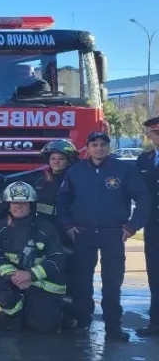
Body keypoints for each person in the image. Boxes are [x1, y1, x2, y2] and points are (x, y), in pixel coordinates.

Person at [57, 131, 152, 340]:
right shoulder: (76, 171)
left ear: (108, 147)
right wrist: (68, 225)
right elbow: (62, 201)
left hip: (114, 235)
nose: (99, 148)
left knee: (112, 284)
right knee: (82, 283)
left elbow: (143, 198)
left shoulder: (124, 169)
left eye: (103, 144)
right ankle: (83, 323)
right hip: (83, 234)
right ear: (87, 148)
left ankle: (113, 328)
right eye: (94, 145)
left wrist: (132, 226)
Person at [0, 181, 67, 333]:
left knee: (45, 328)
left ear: (31, 204)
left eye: (23, 203)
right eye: (14, 203)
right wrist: (13, 275)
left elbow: (58, 257)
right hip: (12, 280)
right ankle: (15, 317)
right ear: (8, 205)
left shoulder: (46, 227)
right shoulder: (0, 227)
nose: (18, 207)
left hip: (40, 282)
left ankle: (40, 311)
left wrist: (30, 275)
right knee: (0, 287)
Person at [33, 139, 79, 327]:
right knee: (47, 273)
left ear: (69, 160)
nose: (56, 162)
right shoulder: (40, 180)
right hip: (46, 236)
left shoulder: (77, 180)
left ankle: (71, 315)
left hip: (68, 236)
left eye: (61, 158)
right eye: (53, 158)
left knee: (72, 275)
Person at [136, 116, 159, 336]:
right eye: (155, 133)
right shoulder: (144, 160)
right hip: (153, 228)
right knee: (155, 276)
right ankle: (156, 323)